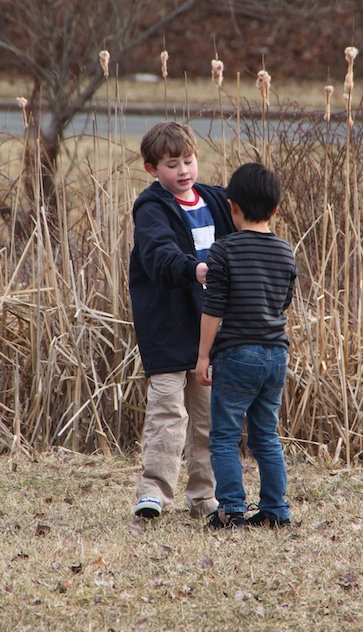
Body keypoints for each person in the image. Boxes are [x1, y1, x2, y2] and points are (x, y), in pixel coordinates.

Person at [128, 121, 235, 520]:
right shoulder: (152, 208)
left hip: (211, 332)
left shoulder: (217, 200)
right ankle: (153, 493)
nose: (183, 171)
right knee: (167, 414)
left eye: (188, 161)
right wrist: (196, 270)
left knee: (208, 419)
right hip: (167, 328)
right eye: (172, 165)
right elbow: (159, 254)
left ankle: (204, 497)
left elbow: (248, 226)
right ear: (152, 169)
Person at [195, 162, 297, 530]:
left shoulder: (223, 250)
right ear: (275, 209)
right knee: (266, 435)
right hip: (276, 354)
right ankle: (275, 510)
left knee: (224, 435)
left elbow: (213, 308)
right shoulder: (285, 251)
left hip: (238, 353)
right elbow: (284, 302)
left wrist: (203, 356)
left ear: (231, 206)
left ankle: (231, 509)